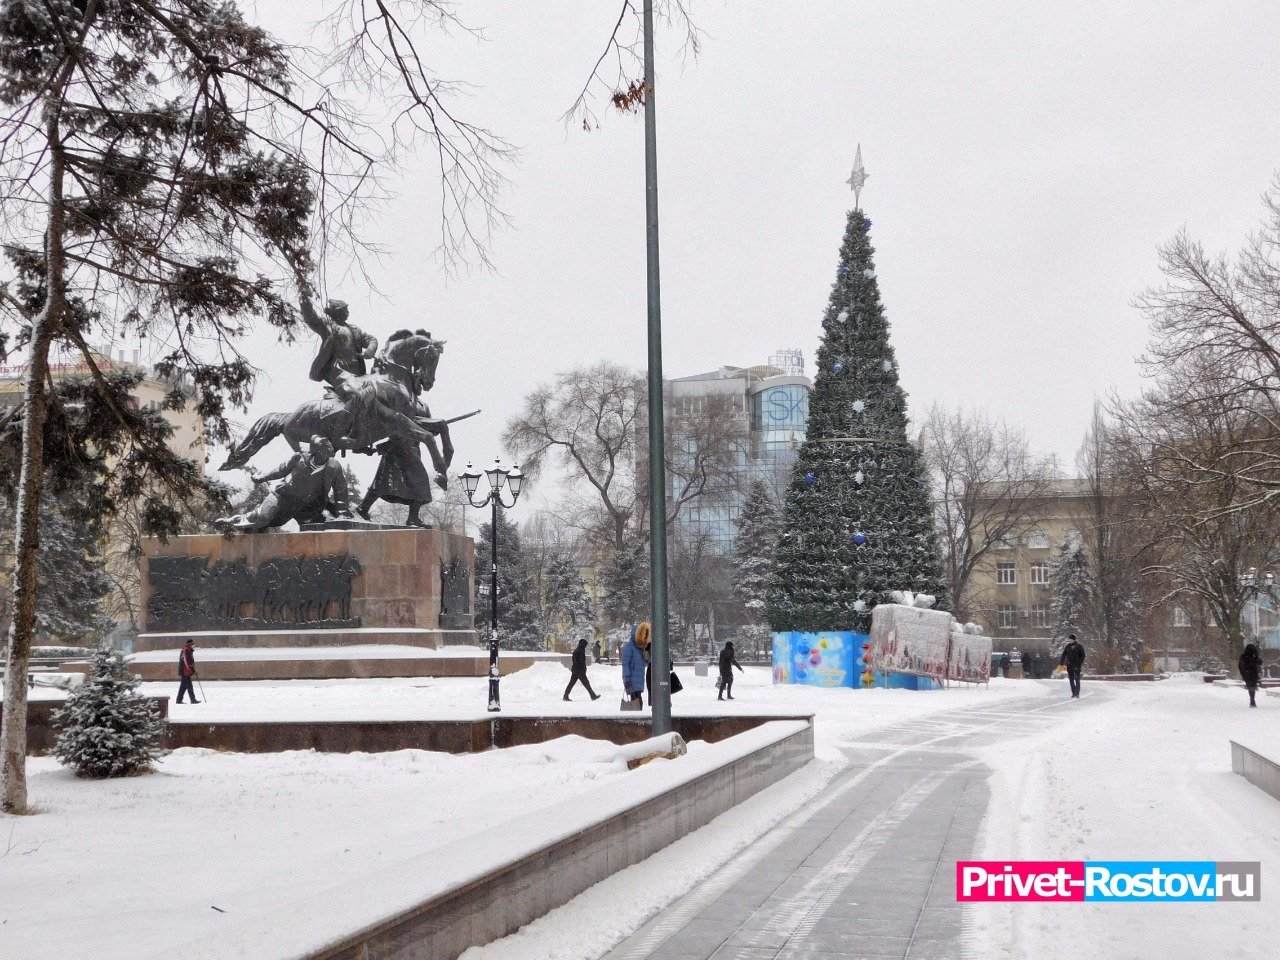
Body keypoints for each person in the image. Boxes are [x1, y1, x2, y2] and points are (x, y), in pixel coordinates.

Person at [622, 623, 650, 707]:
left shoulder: (641, 648)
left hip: (639, 679)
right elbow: (625, 664)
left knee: (637, 703)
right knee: (637, 703)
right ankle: (635, 718)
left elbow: (645, 663)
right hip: (631, 680)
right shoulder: (629, 647)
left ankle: (635, 717)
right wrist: (626, 679)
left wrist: (646, 656)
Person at [564, 637, 601, 702]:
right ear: (583, 644)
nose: (585, 646)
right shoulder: (580, 651)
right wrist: (583, 669)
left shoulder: (576, 650)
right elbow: (581, 661)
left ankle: (565, 696)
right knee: (586, 683)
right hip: (580, 671)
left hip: (575, 670)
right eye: (585, 645)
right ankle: (593, 696)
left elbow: (575, 661)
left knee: (571, 683)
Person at [1060, 634, 1086, 699]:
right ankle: (1073, 693)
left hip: (1077, 665)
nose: (1069, 640)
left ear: (1074, 640)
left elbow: (1083, 655)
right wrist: (1061, 662)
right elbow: (1064, 655)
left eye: (1070, 639)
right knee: (1071, 679)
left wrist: (1079, 662)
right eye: (1069, 639)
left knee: (1077, 679)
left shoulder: (1079, 646)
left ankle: (1077, 693)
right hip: (1069, 665)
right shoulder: (1067, 647)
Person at [1239, 642, 1263, 708]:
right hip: (1253, 673)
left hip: (1247, 674)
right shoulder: (1253, 657)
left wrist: (1243, 674)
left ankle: (1252, 700)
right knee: (1252, 687)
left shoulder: (1244, 656)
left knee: (1251, 687)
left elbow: (1240, 666)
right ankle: (1252, 700)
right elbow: (1260, 662)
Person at [177, 639, 200, 705]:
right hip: (186, 672)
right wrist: (192, 671)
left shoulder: (188, 651)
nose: (194, 646)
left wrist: (192, 670)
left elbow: (189, 663)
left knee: (183, 687)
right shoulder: (186, 651)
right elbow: (187, 663)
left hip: (185, 672)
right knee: (189, 687)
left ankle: (179, 700)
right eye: (193, 644)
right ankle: (193, 700)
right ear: (190, 644)